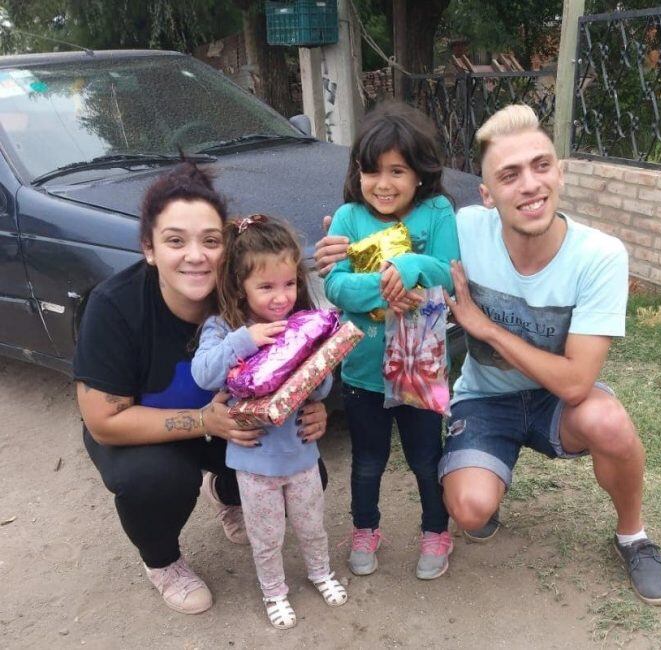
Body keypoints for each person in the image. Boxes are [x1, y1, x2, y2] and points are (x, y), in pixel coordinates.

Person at [314, 104, 661, 606]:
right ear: (486, 195)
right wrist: (347, 244)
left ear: (560, 173)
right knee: (468, 510)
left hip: (557, 400)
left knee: (608, 420)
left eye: (541, 166)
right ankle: (485, 480)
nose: (529, 185)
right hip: (484, 399)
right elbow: (389, 239)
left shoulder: (600, 256)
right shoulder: (465, 227)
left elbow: (576, 383)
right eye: (509, 175)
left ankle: (633, 536)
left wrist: (484, 327)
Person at [74, 164, 328, 615]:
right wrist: (204, 422)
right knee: (154, 480)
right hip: (148, 434)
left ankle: (227, 493)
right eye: (175, 241)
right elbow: (103, 421)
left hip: (236, 426)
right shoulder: (115, 306)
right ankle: (163, 561)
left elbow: (307, 357)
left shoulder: (252, 292)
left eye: (210, 241)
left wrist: (312, 405)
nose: (196, 256)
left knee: (306, 473)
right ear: (149, 248)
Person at [323, 101, 460, 580]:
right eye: (372, 170)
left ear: (420, 173)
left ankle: (436, 530)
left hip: (421, 369)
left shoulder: (437, 212)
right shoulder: (348, 217)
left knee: (426, 458)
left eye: (397, 171)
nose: (383, 184)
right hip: (363, 371)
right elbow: (336, 285)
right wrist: (388, 288)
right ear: (357, 172)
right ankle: (365, 528)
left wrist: (411, 266)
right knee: (367, 461)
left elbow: (449, 274)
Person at [191, 214, 347, 629]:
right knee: (266, 537)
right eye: (266, 287)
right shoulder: (224, 327)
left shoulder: (304, 322)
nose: (281, 297)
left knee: (312, 526)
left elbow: (320, 390)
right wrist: (246, 340)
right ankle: (274, 593)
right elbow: (203, 374)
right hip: (255, 462)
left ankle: (320, 572)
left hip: (301, 455)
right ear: (239, 284)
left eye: (289, 283)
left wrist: (316, 365)